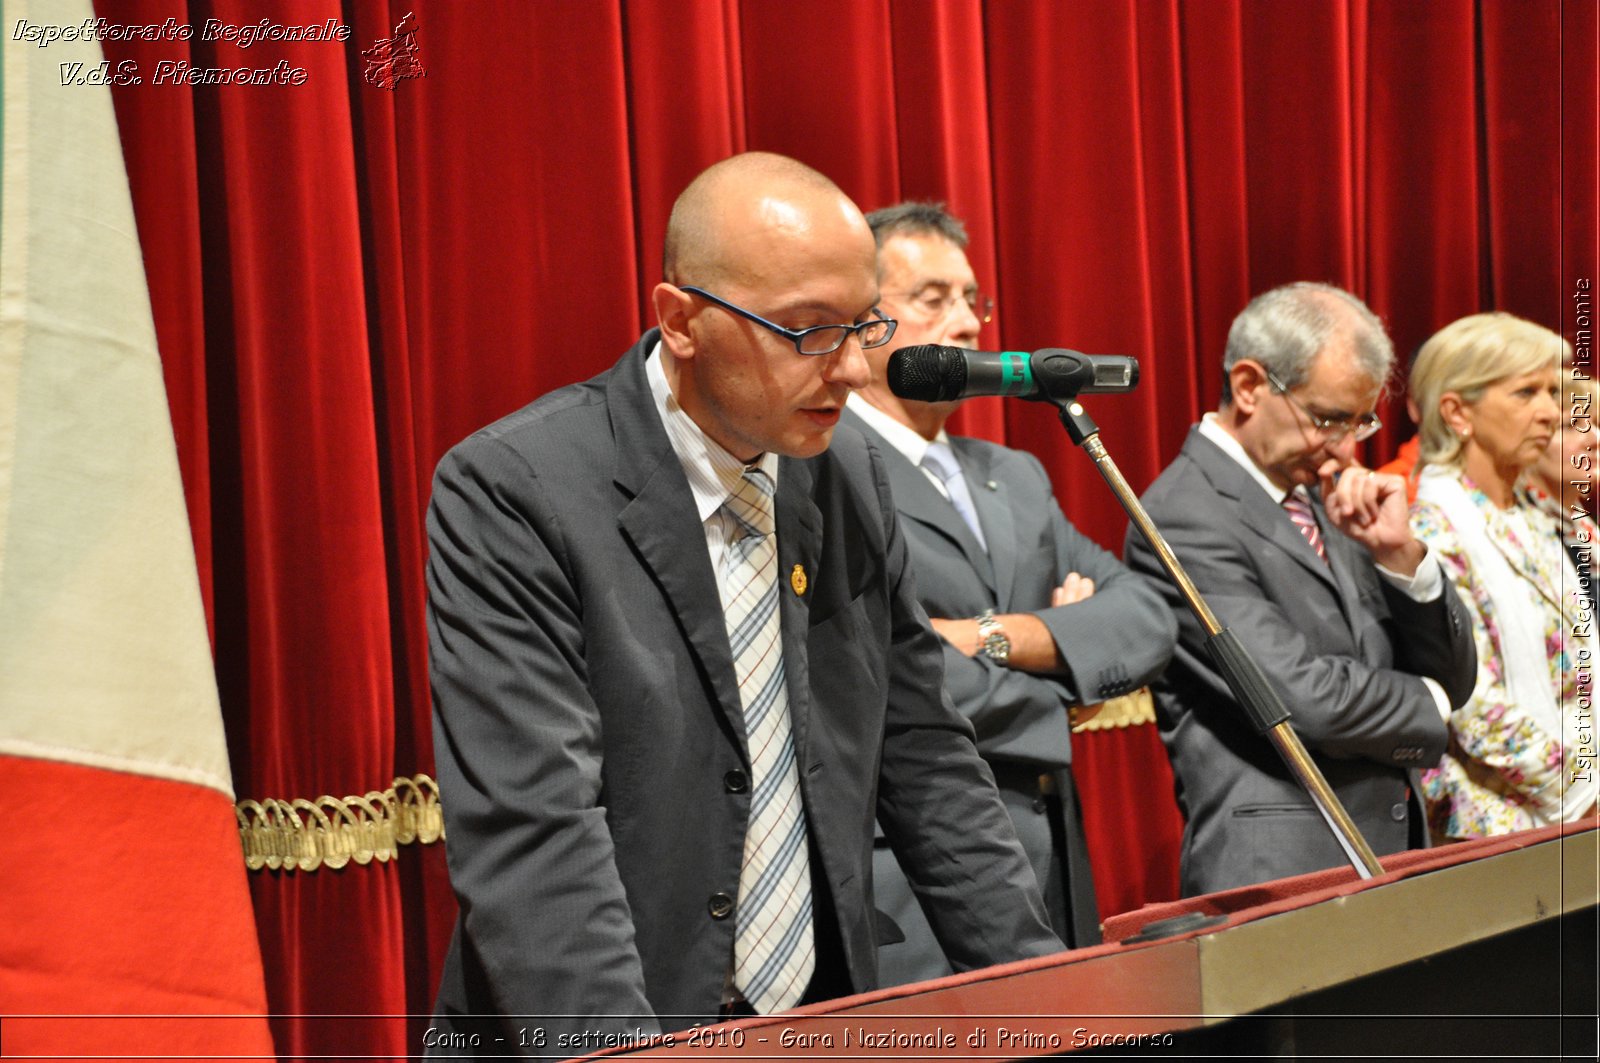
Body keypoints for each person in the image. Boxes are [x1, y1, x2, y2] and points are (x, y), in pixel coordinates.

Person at [424, 153, 1061, 1052]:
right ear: (680, 320)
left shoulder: (848, 478)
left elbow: (925, 757)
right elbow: (536, 832)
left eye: (862, 323)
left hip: (817, 1018)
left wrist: (1050, 1009)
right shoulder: (517, 489)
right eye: (807, 331)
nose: (850, 369)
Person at [839, 202, 1175, 978]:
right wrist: (1068, 681)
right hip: (907, 874)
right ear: (863, 322)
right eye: (932, 298)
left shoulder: (1013, 474)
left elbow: (1147, 614)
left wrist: (998, 636)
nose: (965, 324)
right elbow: (892, 675)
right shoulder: (828, 467)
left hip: (1047, 859)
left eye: (973, 301)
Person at [1124, 282, 1477, 896]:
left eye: (1360, 420)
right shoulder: (1182, 514)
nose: (1345, 446)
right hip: (1284, 873)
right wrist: (1435, 703)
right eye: (1327, 419)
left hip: (1391, 858)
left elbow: (1455, 672)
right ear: (1249, 386)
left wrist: (1399, 557)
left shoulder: (1327, 495)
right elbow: (1300, 699)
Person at [1406, 313, 1597, 838]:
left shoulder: (1531, 517)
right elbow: (1471, 700)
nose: (1549, 412)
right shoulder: (1432, 528)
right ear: (1457, 412)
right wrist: (1584, 792)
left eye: (1553, 392)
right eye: (1526, 393)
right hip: (1504, 827)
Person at [1523, 366, 1599, 610]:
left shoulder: (1585, 529)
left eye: (1596, 423)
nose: (1594, 438)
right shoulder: (1522, 532)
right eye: (1570, 425)